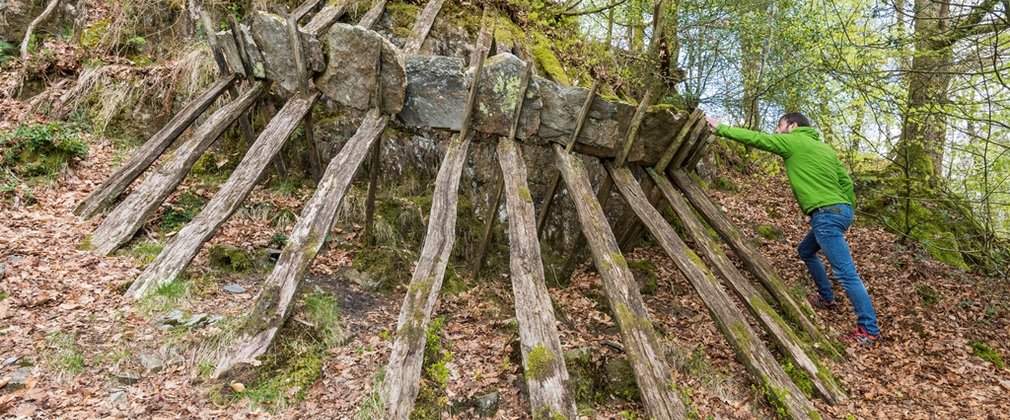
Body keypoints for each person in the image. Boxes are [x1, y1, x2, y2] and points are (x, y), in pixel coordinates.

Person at [704, 112, 880, 345]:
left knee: (846, 274)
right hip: (840, 210)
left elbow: (757, 139)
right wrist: (847, 210)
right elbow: (846, 183)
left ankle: (869, 329)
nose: (777, 131)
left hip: (826, 214)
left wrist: (721, 128)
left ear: (793, 125)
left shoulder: (793, 140)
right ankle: (826, 298)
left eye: (779, 126)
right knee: (805, 251)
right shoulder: (825, 149)